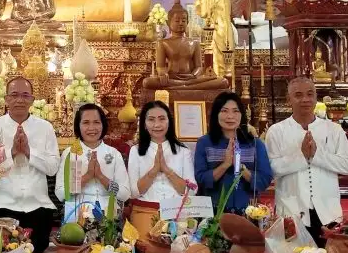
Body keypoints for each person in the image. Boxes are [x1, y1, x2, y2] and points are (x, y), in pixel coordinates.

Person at [267, 77, 348, 246]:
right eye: (298, 95)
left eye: (310, 94)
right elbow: (272, 169)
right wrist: (301, 156)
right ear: (288, 100)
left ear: (316, 98)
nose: (305, 99)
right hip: (291, 210)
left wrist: (317, 155)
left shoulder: (334, 130)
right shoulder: (276, 131)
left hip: (328, 211)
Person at [0, 76, 59, 252]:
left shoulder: (45, 128)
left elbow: (52, 168)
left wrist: (30, 153)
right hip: (3, 206)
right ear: (6, 99)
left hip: (38, 206)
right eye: (14, 95)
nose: (20, 100)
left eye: (25, 95)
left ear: (32, 100)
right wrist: (12, 153)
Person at [194, 92, 272, 214]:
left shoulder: (255, 144)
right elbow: (201, 180)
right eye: (224, 111)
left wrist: (241, 168)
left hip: (248, 213)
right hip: (213, 214)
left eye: (235, 111)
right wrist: (225, 165)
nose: (230, 116)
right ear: (216, 114)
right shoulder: (204, 143)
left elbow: (264, 181)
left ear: (242, 115)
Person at [127, 101, 195, 239]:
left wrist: (167, 170)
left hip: (177, 213)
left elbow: (191, 191)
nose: (157, 125)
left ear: (169, 122)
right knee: (148, 248)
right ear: (144, 124)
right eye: (151, 120)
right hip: (145, 211)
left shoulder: (183, 151)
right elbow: (133, 192)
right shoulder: (135, 151)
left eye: (162, 119)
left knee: (178, 249)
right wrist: (154, 171)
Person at [55, 103, 130, 220]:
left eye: (96, 122)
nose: (91, 128)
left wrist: (101, 177)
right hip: (76, 217)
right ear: (78, 125)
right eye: (86, 122)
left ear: (103, 125)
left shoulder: (114, 154)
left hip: (109, 220)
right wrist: (87, 176)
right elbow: (61, 194)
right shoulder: (70, 154)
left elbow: (125, 194)